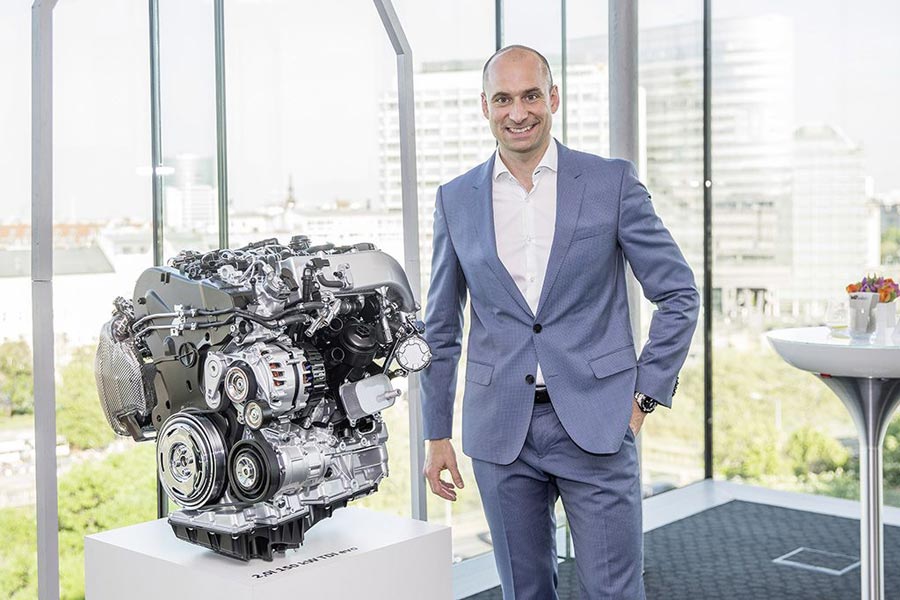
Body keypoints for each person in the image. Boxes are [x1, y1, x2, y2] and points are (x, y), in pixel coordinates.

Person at [420, 44, 699, 599]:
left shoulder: (610, 182)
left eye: (530, 96)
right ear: (485, 106)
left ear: (553, 98)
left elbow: (678, 294)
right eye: (503, 99)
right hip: (501, 430)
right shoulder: (455, 200)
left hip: (598, 422)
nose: (517, 112)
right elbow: (441, 328)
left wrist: (644, 396)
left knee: (613, 592)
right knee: (524, 593)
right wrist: (436, 433)